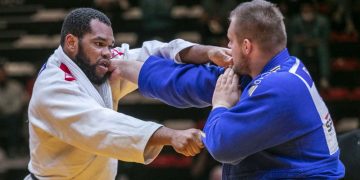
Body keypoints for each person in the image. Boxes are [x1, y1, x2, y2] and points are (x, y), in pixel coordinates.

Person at [111, 0, 345, 179]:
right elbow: (196, 81)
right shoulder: (273, 69)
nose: (227, 47)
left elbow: (222, 146)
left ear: (246, 46)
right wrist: (121, 65)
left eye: (230, 41)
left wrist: (221, 104)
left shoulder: (281, 86)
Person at [25, 7, 231, 180]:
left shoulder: (94, 63)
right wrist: (172, 135)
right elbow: (102, 125)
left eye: (109, 45)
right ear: (71, 43)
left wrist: (207, 52)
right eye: (98, 44)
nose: (107, 52)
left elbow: (153, 53)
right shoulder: (52, 87)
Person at [0, 62, 26, 158]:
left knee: (13, 121)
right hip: (1, 116)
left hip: (13, 116)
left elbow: (17, 106)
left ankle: (13, 149)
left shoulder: (16, 86)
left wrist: (5, 110)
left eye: (1, 73)